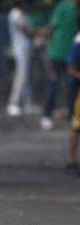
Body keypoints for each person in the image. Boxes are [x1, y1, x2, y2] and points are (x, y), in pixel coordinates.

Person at [39, 0, 79, 131]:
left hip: (71, 54)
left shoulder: (77, 10)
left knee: (72, 85)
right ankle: (46, 116)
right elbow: (51, 27)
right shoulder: (62, 7)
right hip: (56, 53)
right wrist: (40, 36)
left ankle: (72, 114)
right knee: (53, 83)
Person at [7, 0, 38, 117]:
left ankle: (27, 103)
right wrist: (37, 34)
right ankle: (13, 103)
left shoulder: (22, 13)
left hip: (26, 47)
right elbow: (24, 29)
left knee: (27, 76)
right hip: (20, 48)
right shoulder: (15, 13)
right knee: (22, 75)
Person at [65, 14, 80, 175]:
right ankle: (72, 161)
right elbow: (71, 69)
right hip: (78, 90)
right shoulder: (78, 43)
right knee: (76, 125)